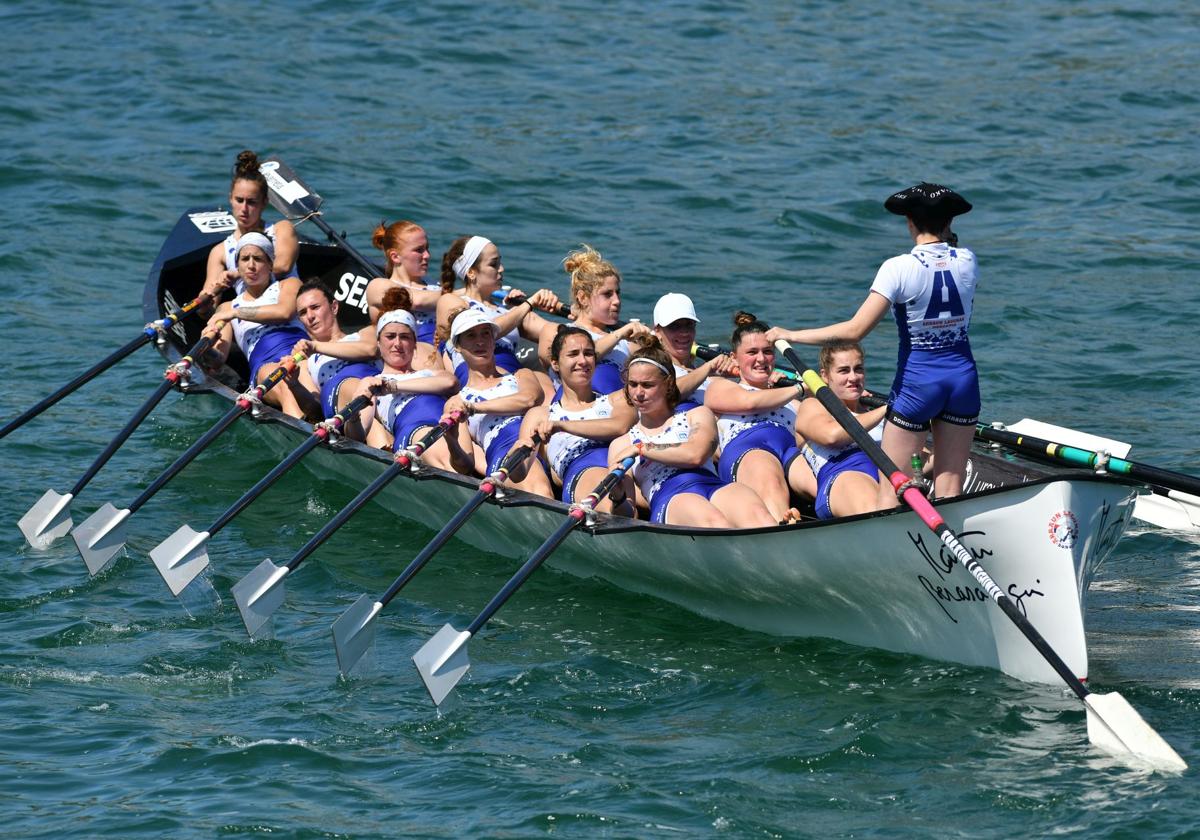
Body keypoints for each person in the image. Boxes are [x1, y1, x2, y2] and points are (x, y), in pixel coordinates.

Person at [766, 182, 977, 506]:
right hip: (963, 380)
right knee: (950, 488)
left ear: (909, 222)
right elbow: (947, 252)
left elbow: (854, 330)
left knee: (892, 489)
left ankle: (892, 553)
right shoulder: (967, 260)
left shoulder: (898, 268)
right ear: (950, 223)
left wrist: (791, 335)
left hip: (919, 384)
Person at [607, 339, 776, 528]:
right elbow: (627, 515)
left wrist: (642, 448)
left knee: (760, 516)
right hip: (671, 496)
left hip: (712, 485)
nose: (638, 393)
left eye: (647, 385)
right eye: (633, 384)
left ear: (668, 384)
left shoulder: (697, 415)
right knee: (714, 521)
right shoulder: (621, 445)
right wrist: (618, 496)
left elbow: (695, 455)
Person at [704, 312, 815, 523]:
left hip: (790, 450)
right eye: (752, 352)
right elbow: (750, 402)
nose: (761, 359)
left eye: (768, 351)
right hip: (748, 449)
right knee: (770, 479)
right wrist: (800, 387)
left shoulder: (791, 399)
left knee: (822, 479)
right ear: (734, 358)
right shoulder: (720, 386)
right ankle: (783, 527)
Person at [518, 326, 637, 511]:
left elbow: (619, 426)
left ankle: (620, 504)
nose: (583, 361)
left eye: (588, 353)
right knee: (610, 495)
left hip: (623, 471)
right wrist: (517, 450)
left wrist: (562, 426)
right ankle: (617, 506)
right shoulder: (540, 415)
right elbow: (519, 474)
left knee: (621, 495)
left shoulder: (618, 399)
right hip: (582, 473)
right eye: (573, 354)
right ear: (555, 363)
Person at [440, 308, 554, 496]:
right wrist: (451, 441)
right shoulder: (456, 401)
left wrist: (475, 408)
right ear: (458, 346)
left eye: (486, 334)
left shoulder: (521, 375)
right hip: (505, 451)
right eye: (471, 336)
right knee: (541, 491)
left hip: (541, 443)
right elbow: (463, 466)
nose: (480, 341)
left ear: (494, 340)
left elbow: (529, 399)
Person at [204, 233, 310, 418]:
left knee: (316, 393)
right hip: (265, 364)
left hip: (300, 351)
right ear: (238, 266)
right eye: (245, 259)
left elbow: (284, 312)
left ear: (270, 264)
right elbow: (218, 359)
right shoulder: (227, 307)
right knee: (283, 384)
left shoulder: (289, 285)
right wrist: (206, 348)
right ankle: (302, 430)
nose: (251, 265)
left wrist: (237, 313)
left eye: (258, 259)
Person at [353, 289, 460, 470]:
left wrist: (394, 387)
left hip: (449, 426)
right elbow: (356, 435)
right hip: (414, 433)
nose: (397, 344)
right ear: (378, 343)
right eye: (390, 337)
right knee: (449, 458)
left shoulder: (429, 373)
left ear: (414, 344)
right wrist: (354, 418)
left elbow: (451, 383)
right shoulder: (372, 382)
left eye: (404, 337)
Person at [434, 235, 562, 384]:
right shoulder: (451, 301)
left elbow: (550, 331)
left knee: (544, 382)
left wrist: (578, 315)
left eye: (500, 263)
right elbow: (482, 330)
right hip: (479, 372)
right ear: (471, 272)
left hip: (514, 370)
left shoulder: (507, 309)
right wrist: (528, 304)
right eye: (494, 264)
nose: (501, 269)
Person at [537, 245, 649, 394]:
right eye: (607, 294)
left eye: (618, 293)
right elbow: (576, 357)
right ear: (583, 297)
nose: (617, 301)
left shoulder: (628, 346)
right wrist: (619, 334)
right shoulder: (555, 331)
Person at [794, 342, 888, 519]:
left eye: (858, 369)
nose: (853, 377)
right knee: (876, 509)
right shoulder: (813, 406)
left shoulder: (872, 414)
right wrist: (887, 410)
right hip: (843, 478)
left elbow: (920, 458)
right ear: (825, 375)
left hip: (887, 478)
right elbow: (832, 436)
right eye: (844, 371)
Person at [203, 150, 298, 297]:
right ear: (231, 199)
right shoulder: (220, 252)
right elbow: (209, 310)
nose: (244, 209)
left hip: (288, 309)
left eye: (252, 202)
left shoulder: (281, 229)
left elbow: (283, 266)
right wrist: (207, 299)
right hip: (250, 316)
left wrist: (238, 274)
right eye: (239, 200)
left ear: (264, 202)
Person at [290, 280, 381, 422]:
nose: (310, 316)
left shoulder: (365, 333)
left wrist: (316, 347)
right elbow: (316, 409)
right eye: (303, 313)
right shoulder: (305, 361)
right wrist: (294, 384)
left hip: (382, 395)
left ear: (334, 307)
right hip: (350, 415)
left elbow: (371, 350)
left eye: (315, 307)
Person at [651, 293, 735, 405]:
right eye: (674, 326)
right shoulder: (654, 367)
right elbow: (667, 395)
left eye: (689, 325)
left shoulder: (703, 374)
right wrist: (708, 367)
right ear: (657, 331)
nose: (684, 332)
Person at [365, 220, 442, 342]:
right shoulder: (378, 286)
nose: (427, 255)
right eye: (419, 250)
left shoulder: (435, 285)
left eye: (427, 248)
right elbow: (416, 301)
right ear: (395, 257)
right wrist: (462, 293)